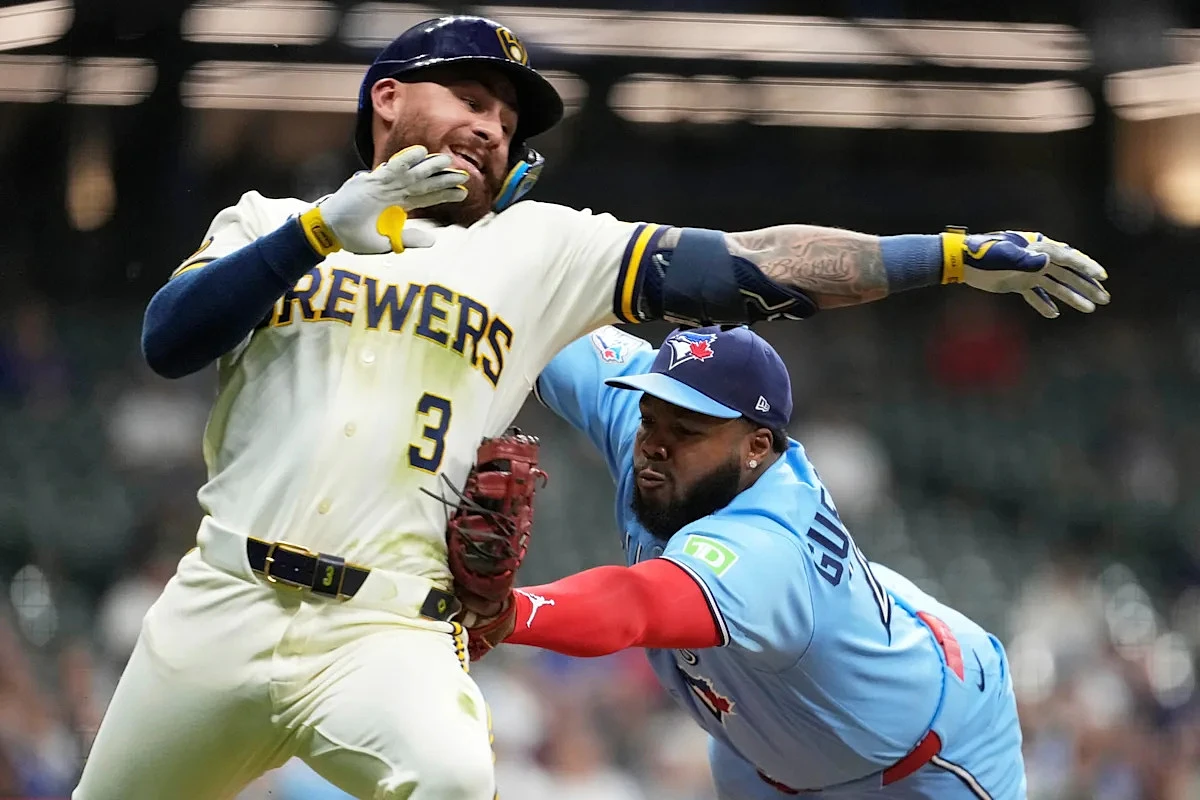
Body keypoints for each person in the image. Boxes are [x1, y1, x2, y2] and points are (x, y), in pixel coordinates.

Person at [74, 11, 1107, 800]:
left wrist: (952, 254)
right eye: (470, 95)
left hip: (384, 621)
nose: (490, 123)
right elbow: (170, 340)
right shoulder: (267, 221)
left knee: (453, 775)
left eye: (506, 118)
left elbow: (748, 265)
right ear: (385, 99)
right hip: (222, 593)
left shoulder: (535, 254)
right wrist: (319, 231)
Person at [479, 324, 1027, 798]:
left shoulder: (768, 545)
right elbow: (541, 316)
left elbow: (635, 603)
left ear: (757, 446)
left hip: (927, 757)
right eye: (651, 421)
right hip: (763, 757)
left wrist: (506, 612)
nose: (655, 444)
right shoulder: (661, 435)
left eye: (687, 431)